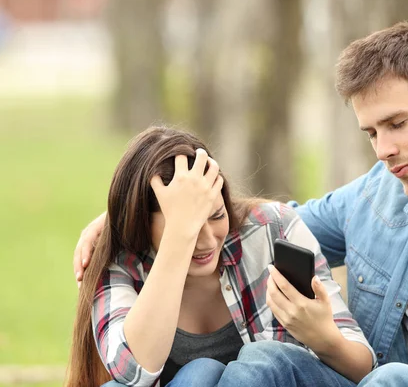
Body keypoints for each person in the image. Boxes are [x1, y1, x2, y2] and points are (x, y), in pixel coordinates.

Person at [74, 22, 408, 387]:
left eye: (397, 123)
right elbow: (261, 226)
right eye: (371, 132)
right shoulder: (380, 194)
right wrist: (136, 216)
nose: (384, 149)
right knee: (260, 364)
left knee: (388, 379)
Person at [66, 126, 375, 387]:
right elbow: (133, 373)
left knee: (262, 360)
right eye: (188, 228)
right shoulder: (119, 262)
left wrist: (322, 336)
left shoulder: (273, 229)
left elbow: (365, 367)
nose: (206, 241)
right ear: (143, 226)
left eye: (215, 216)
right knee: (200, 373)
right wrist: (177, 239)